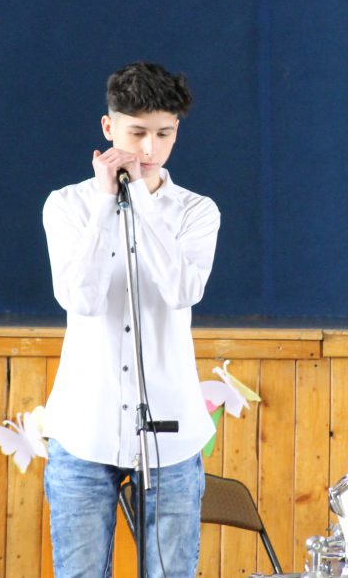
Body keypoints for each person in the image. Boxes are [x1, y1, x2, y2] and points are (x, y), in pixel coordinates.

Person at [41, 62, 219, 577]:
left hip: (171, 435)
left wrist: (140, 195)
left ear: (176, 131)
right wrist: (106, 203)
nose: (149, 149)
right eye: (137, 133)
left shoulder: (197, 212)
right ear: (108, 127)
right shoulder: (67, 206)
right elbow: (81, 298)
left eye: (163, 134)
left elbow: (182, 290)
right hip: (83, 429)